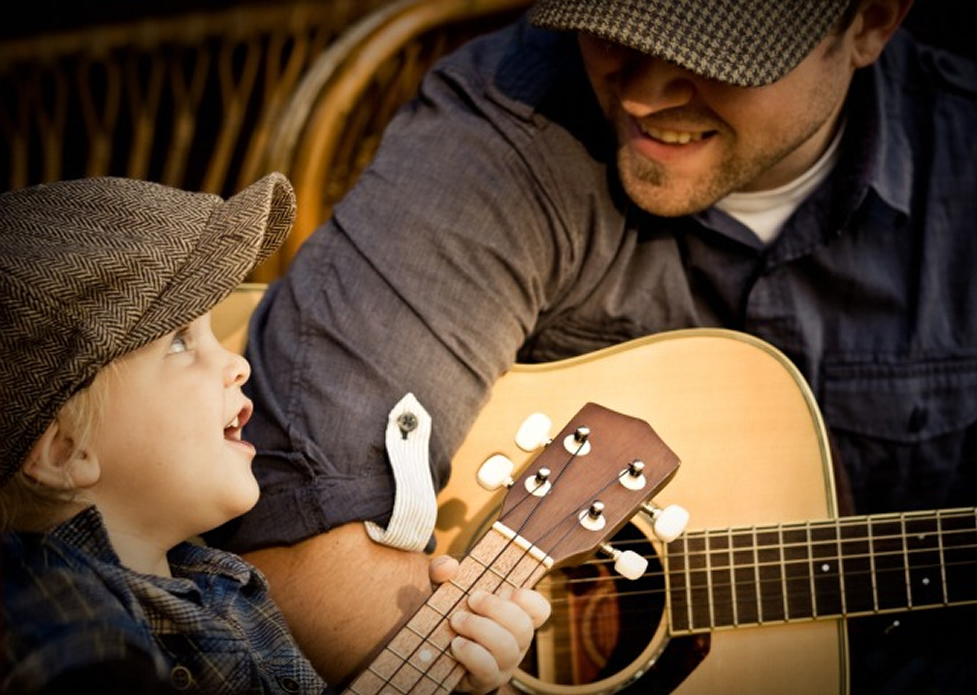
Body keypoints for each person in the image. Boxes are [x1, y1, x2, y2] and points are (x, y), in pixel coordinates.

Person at [206, 0, 977, 692]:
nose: (641, 94)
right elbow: (302, 552)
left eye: (714, 54)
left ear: (871, 22)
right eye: (613, 29)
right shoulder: (501, 130)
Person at [0, 174, 550, 694]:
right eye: (178, 343)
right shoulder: (47, 605)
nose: (237, 365)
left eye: (214, 335)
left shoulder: (230, 590)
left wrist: (459, 678)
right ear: (65, 450)